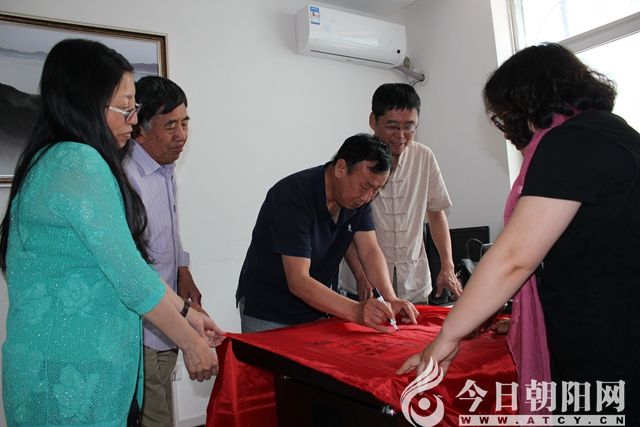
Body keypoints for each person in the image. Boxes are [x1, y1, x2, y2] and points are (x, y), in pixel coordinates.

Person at [398, 43, 640, 421]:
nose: (507, 131)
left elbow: (515, 257)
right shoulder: (612, 133)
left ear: (528, 101)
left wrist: (447, 338)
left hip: (610, 346)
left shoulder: (572, 142)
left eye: (505, 116)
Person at [0, 39, 224, 427]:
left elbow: (128, 262)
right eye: (125, 107)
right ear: (88, 103)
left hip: (64, 362)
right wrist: (190, 341)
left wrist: (187, 314)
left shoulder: (50, 157)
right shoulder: (79, 161)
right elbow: (130, 275)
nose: (133, 120)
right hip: (72, 372)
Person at [235, 133, 419, 333]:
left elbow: (370, 251)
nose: (367, 197)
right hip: (269, 312)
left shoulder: (357, 201)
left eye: (376, 190)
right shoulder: (292, 196)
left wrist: (390, 298)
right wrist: (356, 311)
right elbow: (298, 280)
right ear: (341, 168)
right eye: (365, 187)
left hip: (317, 310)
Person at [122, 76, 202, 427]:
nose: (181, 135)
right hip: (143, 325)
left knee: (161, 412)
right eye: (170, 125)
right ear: (140, 128)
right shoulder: (126, 177)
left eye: (185, 123)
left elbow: (167, 231)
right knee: (154, 417)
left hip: (169, 317)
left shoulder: (164, 168)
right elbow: (131, 263)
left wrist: (183, 269)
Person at [339, 83, 461, 304]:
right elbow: (343, 224)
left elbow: (436, 213)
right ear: (373, 121)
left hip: (414, 284)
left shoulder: (424, 157)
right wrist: (360, 273)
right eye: (392, 126)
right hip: (364, 284)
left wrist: (447, 265)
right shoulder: (354, 157)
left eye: (409, 127)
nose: (401, 135)